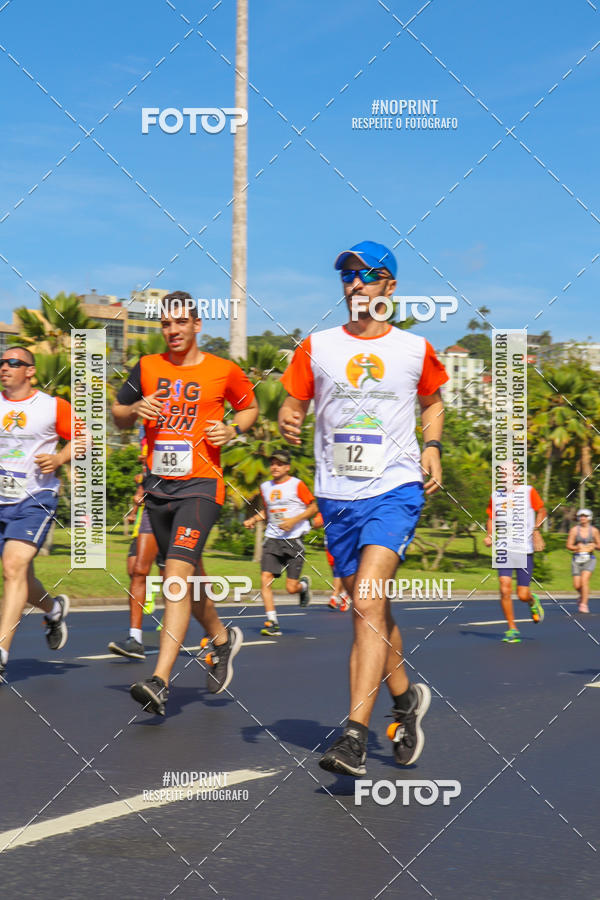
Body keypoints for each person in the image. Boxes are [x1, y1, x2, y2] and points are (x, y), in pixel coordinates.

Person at [278, 240, 448, 776]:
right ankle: (405, 700)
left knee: (368, 602)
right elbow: (293, 401)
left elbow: (433, 402)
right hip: (336, 496)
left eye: (367, 274)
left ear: (389, 286)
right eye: (347, 275)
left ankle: (353, 736)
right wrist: (288, 416)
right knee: (369, 608)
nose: (355, 282)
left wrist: (432, 445)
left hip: (395, 489)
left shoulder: (414, 349)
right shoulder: (317, 346)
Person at [112, 291, 258, 715]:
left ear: (197, 324)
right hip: (158, 490)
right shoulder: (147, 367)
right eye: (165, 324)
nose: (172, 330)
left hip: (200, 487)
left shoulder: (223, 369)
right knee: (190, 583)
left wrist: (233, 430)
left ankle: (159, 681)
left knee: (175, 577)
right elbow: (118, 412)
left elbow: (248, 408)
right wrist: (136, 409)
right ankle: (221, 640)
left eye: (180, 322)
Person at [0, 347, 72, 681]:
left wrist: (59, 459)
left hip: (34, 498)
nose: (5, 367)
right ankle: (54, 609)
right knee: (23, 580)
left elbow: (85, 437)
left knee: (13, 567)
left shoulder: (51, 406)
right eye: (2, 362)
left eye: (14, 363)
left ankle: (1, 652)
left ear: (30, 370)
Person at [243, 449, 318, 636]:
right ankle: (272, 622)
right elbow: (268, 511)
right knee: (265, 579)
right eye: (272, 464)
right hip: (272, 539)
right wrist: (253, 519)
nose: (275, 467)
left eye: (279, 464)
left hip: (293, 540)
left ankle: (303, 587)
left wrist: (293, 521)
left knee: (290, 588)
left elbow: (313, 507)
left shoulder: (297, 485)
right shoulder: (265, 487)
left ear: (287, 467)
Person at [108, 441, 165, 660]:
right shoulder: (147, 436)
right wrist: (136, 502)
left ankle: (215, 633)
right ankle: (135, 639)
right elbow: (143, 481)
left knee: (175, 577)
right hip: (151, 510)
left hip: (180, 505)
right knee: (138, 570)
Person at [484, 482, 546, 642]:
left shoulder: (529, 491)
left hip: (524, 549)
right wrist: (490, 535)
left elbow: (542, 511)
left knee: (522, 594)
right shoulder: (496, 496)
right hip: (504, 549)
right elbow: (491, 518)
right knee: (504, 587)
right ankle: (512, 629)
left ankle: (532, 600)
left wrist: (536, 530)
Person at [312, 512, 351, 611]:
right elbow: (317, 523)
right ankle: (344, 595)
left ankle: (334, 597)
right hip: (329, 542)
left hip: (343, 541)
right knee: (335, 570)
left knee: (338, 568)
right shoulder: (327, 506)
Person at [566, 509, 600, 613]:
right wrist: (577, 547)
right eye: (581, 516)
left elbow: (599, 545)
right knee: (577, 585)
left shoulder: (594, 531)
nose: (582, 518)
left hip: (589, 559)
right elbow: (569, 545)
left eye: (585, 516)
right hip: (576, 559)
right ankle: (582, 595)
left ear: (589, 517)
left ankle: (583, 604)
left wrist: (593, 545)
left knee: (584, 580)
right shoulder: (574, 530)